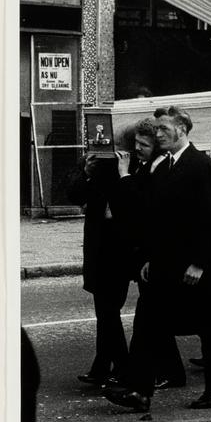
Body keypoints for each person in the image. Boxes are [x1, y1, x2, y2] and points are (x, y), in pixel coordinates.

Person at [104, 106, 211, 411]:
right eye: (157, 130)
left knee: (209, 329)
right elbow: (150, 215)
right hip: (163, 263)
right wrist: (148, 257)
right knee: (147, 325)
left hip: (193, 266)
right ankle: (140, 391)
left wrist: (200, 262)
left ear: (182, 130)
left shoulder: (200, 166)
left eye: (164, 130)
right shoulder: (162, 165)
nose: (158, 135)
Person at [67, 148, 140, 387]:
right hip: (100, 244)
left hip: (121, 245)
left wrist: (124, 174)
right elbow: (75, 196)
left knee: (108, 310)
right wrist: (86, 173)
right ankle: (104, 365)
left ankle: (121, 366)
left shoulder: (131, 164)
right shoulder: (97, 162)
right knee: (105, 309)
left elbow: (135, 203)